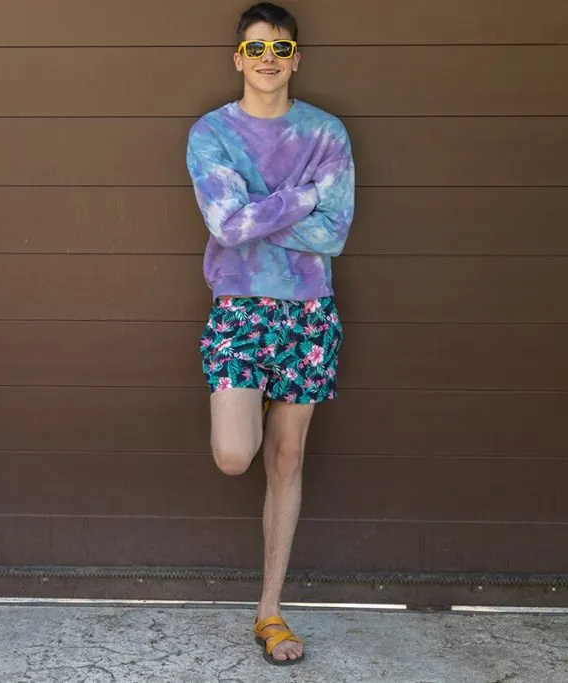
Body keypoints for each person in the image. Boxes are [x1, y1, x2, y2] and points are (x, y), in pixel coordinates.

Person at [185, 2, 356, 666]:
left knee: (287, 461)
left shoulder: (327, 133)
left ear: (296, 59)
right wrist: (307, 197)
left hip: (308, 311)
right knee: (236, 454)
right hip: (239, 310)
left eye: (280, 50)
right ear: (238, 59)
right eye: (255, 51)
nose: (268, 62)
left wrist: (263, 211)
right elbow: (227, 226)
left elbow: (335, 235)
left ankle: (270, 611)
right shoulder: (211, 134)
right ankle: (248, 404)